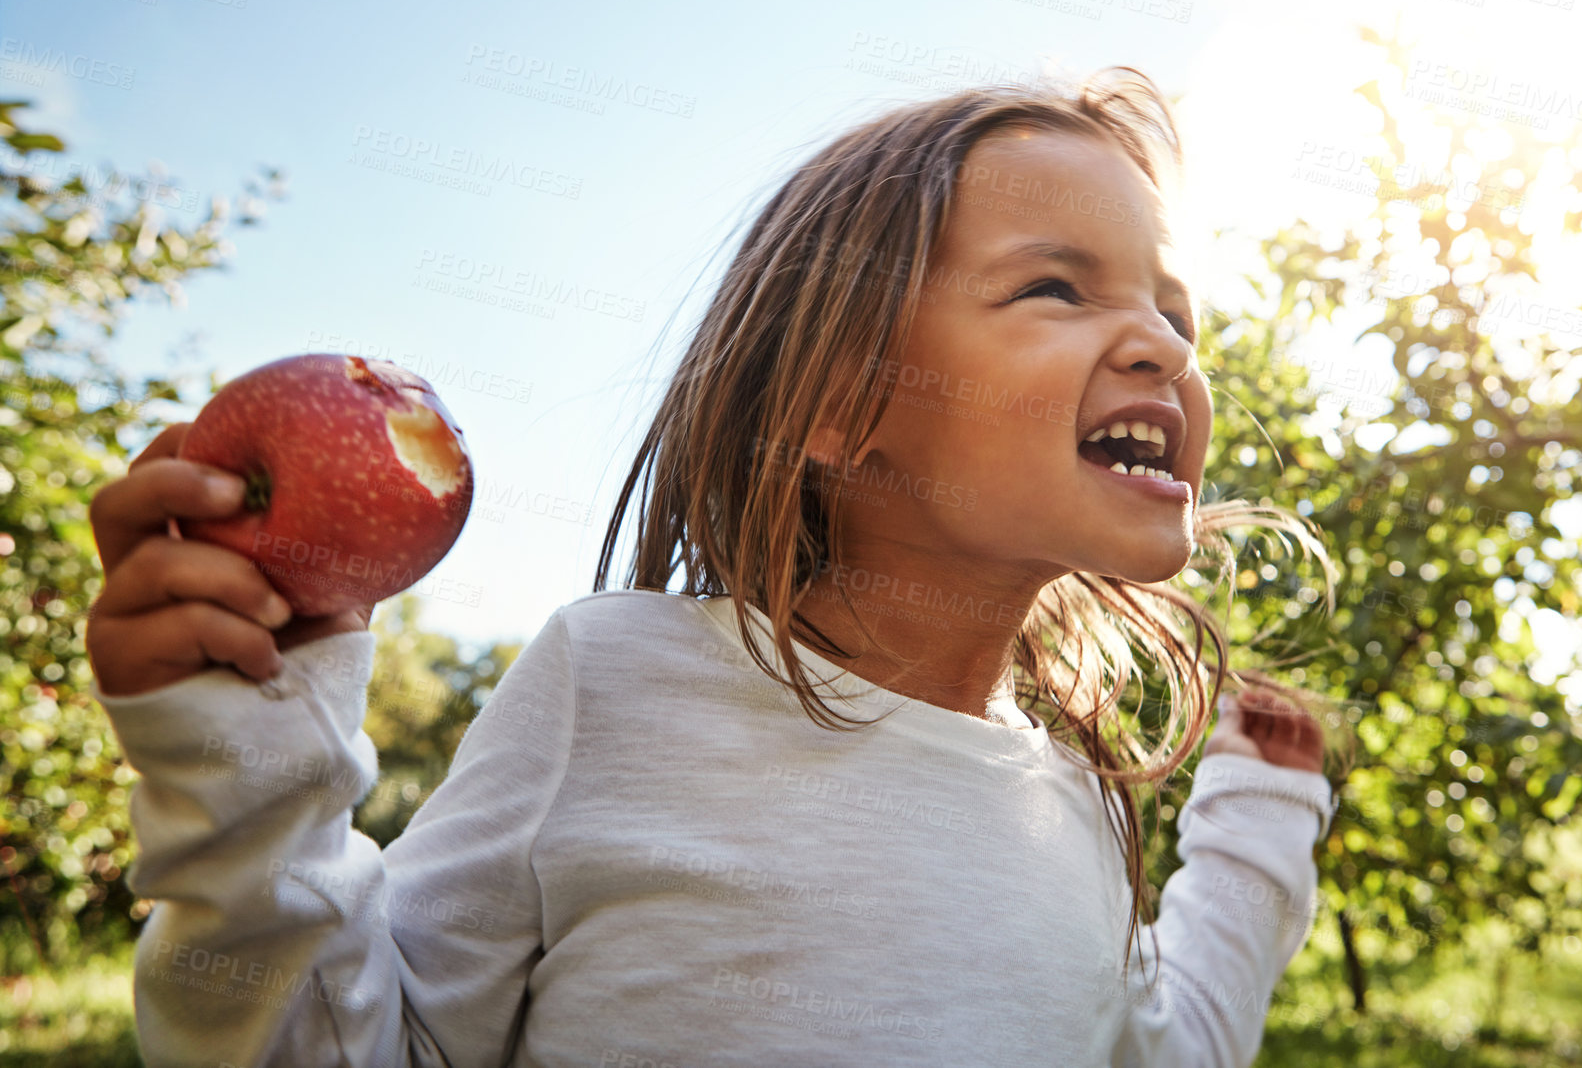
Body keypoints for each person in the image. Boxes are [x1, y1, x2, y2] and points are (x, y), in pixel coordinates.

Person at [86, 66, 1342, 1067]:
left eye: (1175, 311)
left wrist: (1256, 826)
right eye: (1057, 288)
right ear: (843, 402)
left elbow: (1165, 1048)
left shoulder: (1070, 795)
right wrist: (246, 766)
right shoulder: (619, 683)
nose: (1160, 347)